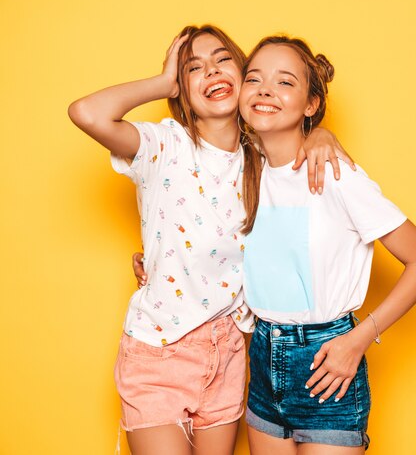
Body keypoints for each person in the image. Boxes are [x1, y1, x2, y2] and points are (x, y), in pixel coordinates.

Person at [68, 25, 351, 455]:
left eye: (222, 60)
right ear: (181, 90)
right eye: (192, 68)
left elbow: (298, 153)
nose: (210, 72)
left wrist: (321, 134)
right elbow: (87, 112)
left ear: (244, 75)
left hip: (231, 350)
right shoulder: (163, 144)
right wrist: (162, 81)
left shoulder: (261, 157)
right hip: (158, 351)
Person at [238, 36, 416, 454]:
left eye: (285, 82)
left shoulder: (335, 174)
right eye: (254, 78)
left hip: (326, 363)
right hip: (261, 357)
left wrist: (360, 338)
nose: (264, 90)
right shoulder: (240, 168)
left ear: (311, 104)